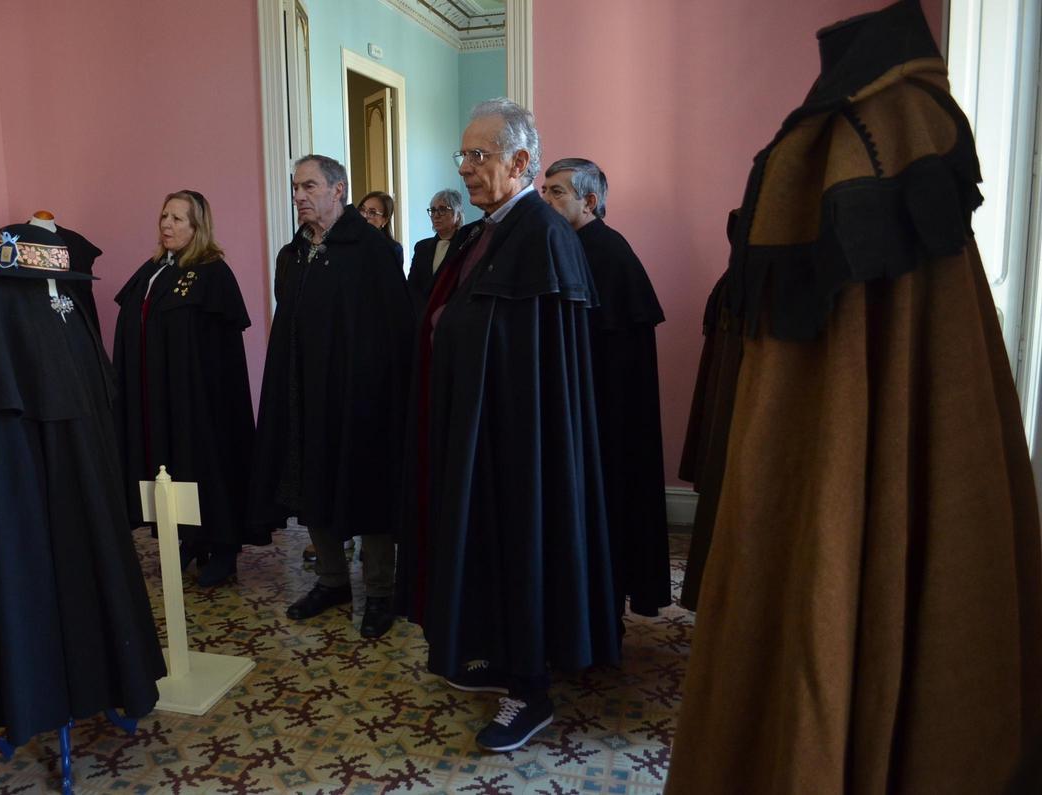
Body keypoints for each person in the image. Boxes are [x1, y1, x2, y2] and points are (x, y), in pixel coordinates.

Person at [666, 2, 1042, 793]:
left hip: (842, 462)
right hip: (816, 457)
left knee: (835, 596)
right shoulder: (883, 123)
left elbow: (880, 367)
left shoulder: (870, 130)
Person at [396, 99, 620, 753]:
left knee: (524, 549)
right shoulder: (483, 232)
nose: (465, 167)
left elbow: (540, 360)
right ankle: (495, 655)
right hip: (477, 432)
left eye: (479, 155)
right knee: (485, 549)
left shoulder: (542, 233)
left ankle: (530, 687)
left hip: (524, 442)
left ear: (520, 161)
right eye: (463, 155)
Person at [0, 223, 166, 748]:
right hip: (24, 484)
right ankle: (39, 699)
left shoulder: (65, 299)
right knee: (33, 585)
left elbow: (92, 391)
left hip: (82, 475)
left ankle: (102, 684)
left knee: (92, 567)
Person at [249, 155, 414, 639]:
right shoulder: (294, 252)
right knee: (312, 479)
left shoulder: (371, 249)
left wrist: (376, 390)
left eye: (309, 186)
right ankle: (332, 579)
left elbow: (394, 327)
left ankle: (380, 591)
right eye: (295, 187)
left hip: (361, 397)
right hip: (305, 392)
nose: (298, 196)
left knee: (367, 485)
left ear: (338, 189)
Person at [540, 158, 670, 621]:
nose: (546, 200)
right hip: (587, 416)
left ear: (590, 201)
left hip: (608, 423)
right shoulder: (569, 246)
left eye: (557, 192)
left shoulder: (608, 254)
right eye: (544, 191)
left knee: (608, 516)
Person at [112, 190, 256, 588]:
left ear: (197, 226)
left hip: (201, 399)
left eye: (177, 219)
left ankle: (223, 547)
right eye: (164, 216)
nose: (166, 225)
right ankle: (191, 538)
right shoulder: (154, 268)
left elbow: (221, 348)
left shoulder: (212, 273)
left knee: (206, 465)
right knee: (171, 463)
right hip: (160, 395)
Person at [406, 188, 470, 318]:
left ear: (457, 215)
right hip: (421, 316)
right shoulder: (421, 247)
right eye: (433, 210)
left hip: (452, 317)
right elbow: (412, 285)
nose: (436, 215)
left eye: (443, 209)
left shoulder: (467, 246)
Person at [357, 190, 403, 265]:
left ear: (384, 220)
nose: (364, 216)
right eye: (362, 210)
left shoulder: (393, 249)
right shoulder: (348, 242)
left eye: (372, 212)